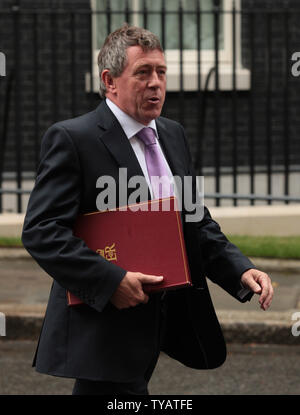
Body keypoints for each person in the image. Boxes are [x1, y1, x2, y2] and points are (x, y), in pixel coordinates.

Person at [22, 24, 273, 395]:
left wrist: (241, 269)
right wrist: (111, 282)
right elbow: (42, 231)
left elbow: (193, 221)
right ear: (110, 81)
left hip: (160, 322)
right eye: (142, 73)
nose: (156, 83)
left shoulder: (172, 134)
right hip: (105, 326)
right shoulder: (74, 139)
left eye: (161, 72)